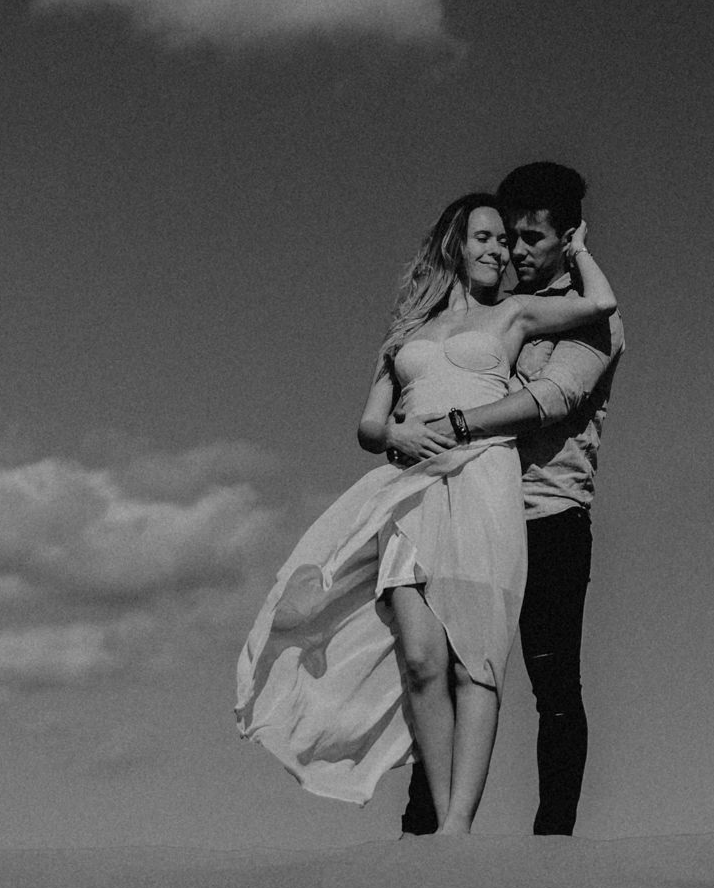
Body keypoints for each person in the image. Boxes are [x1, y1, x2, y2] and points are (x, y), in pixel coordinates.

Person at [235, 191, 617, 833]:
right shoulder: (407, 331)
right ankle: (442, 816)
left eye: (506, 239)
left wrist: (578, 251)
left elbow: (601, 306)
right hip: (410, 488)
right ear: (454, 245)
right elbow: (369, 424)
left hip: (484, 484)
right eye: (486, 237)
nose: (499, 249)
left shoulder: (518, 314)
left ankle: (455, 831)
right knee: (420, 659)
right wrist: (397, 438)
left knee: (477, 658)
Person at [395, 161, 617, 837]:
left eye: (533, 238)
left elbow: (551, 399)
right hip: (473, 512)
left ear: (568, 236)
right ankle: (423, 829)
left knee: (553, 688)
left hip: (547, 516)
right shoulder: (491, 316)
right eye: (510, 237)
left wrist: (459, 424)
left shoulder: (586, 325)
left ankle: (552, 852)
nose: (517, 251)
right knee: (444, 667)